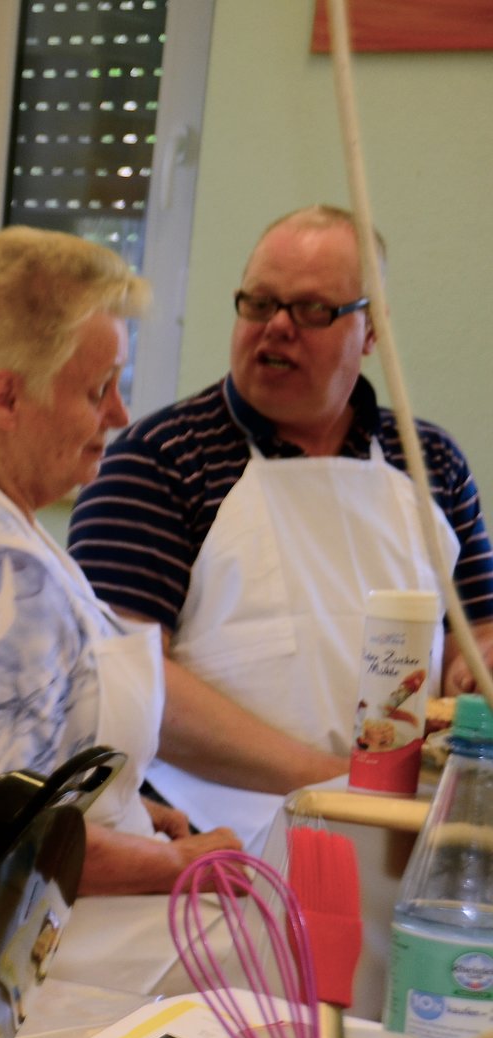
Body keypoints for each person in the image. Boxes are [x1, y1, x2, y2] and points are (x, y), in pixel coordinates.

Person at [0, 228, 341, 954]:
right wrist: (177, 863)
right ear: (5, 398)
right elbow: (4, 838)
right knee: (276, 959)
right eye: (98, 390)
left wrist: (140, 816)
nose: (120, 414)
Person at [68, 206, 493, 852]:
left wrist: (472, 667)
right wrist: (336, 782)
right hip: (210, 849)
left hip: (402, 840)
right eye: (259, 303)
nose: (277, 328)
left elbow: (477, 631)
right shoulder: (156, 460)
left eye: (312, 310)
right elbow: (122, 678)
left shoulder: (430, 459)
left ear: (372, 330)